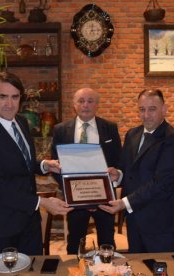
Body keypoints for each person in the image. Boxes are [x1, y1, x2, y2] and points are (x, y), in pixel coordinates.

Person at [0, 71, 73, 255]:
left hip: (28, 219)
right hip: (1, 223)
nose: (9, 104)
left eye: (15, 97)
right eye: (3, 97)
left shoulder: (21, 121)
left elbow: (22, 161)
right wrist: (42, 202)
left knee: (33, 268)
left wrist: (43, 165)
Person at [99, 89, 174, 253]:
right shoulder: (132, 134)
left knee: (161, 269)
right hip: (135, 219)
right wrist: (118, 175)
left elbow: (162, 183)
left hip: (162, 222)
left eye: (152, 109)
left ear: (164, 109)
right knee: (139, 267)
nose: (146, 115)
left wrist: (123, 203)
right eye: (142, 109)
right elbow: (127, 169)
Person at [51, 87, 121, 254]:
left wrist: (111, 180)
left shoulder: (110, 128)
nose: (85, 105)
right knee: (75, 242)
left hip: (105, 199)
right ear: (74, 105)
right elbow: (56, 165)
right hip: (75, 198)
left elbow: (119, 161)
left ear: (97, 105)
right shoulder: (60, 129)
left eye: (90, 101)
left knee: (107, 242)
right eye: (81, 101)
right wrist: (71, 192)